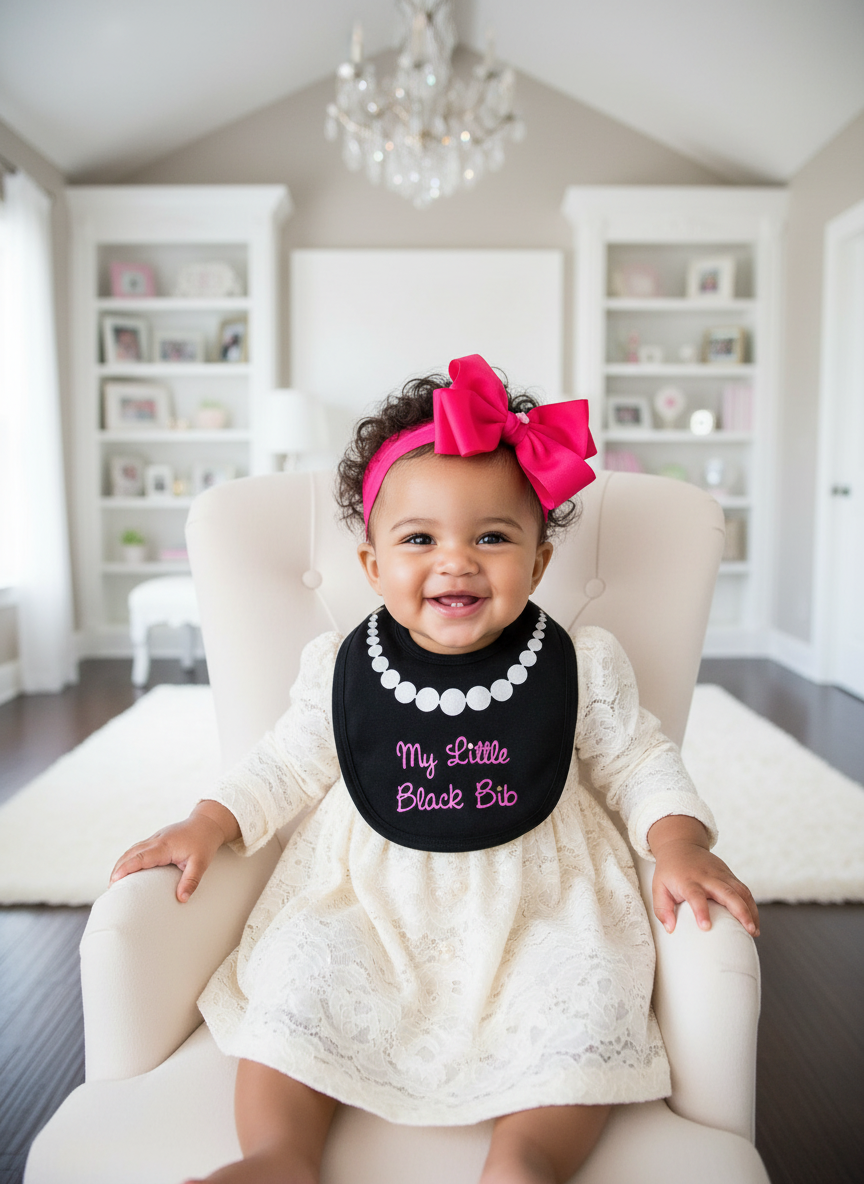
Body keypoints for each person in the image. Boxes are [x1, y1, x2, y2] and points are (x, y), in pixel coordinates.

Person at [111, 354, 759, 1184]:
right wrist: (211, 819)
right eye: (420, 539)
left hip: (541, 903)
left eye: (492, 537)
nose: (456, 561)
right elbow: (284, 760)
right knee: (303, 975)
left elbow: (637, 759)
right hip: (370, 896)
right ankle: (281, 1156)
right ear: (374, 567)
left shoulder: (580, 664)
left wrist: (677, 842)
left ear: (539, 562)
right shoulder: (342, 665)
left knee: (582, 992)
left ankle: (525, 1158)